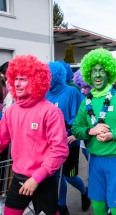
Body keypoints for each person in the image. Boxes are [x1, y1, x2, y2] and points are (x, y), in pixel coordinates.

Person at [72, 48, 116, 215]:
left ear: (108, 73)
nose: (97, 75)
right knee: (98, 208)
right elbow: (76, 129)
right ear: (89, 74)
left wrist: (114, 134)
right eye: (94, 71)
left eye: (101, 71)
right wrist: (91, 130)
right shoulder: (86, 101)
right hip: (95, 160)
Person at [0, 55, 69, 215]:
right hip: (19, 178)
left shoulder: (50, 112)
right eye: (15, 78)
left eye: (23, 79)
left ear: (35, 81)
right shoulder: (11, 111)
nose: (17, 83)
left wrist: (37, 178)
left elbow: (59, 150)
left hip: (43, 180)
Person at [46, 62, 91, 215]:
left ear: (57, 76)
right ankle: (62, 206)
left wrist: (68, 132)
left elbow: (78, 118)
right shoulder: (45, 94)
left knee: (69, 176)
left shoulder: (71, 91)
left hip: (69, 142)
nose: (46, 79)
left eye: (49, 76)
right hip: (50, 144)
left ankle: (84, 193)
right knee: (57, 176)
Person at [73, 69, 93, 161]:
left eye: (85, 87)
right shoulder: (84, 100)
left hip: (97, 143)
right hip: (84, 138)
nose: (82, 91)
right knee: (85, 153)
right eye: (81, 87)